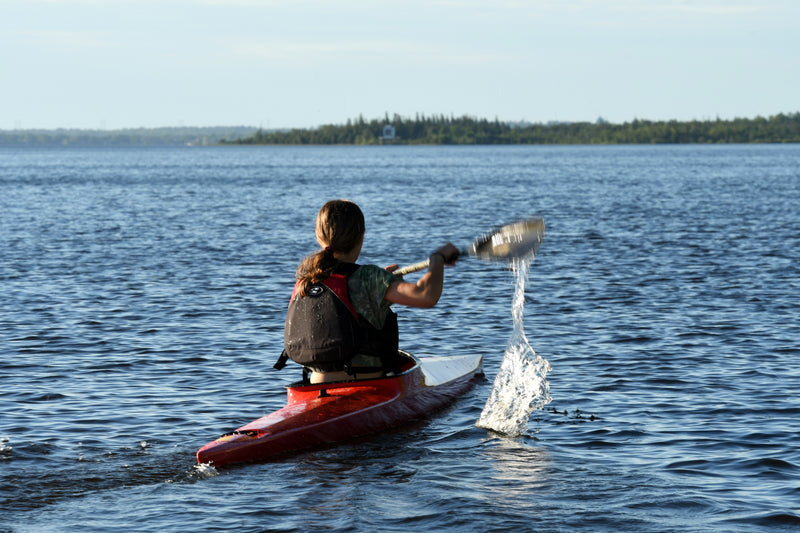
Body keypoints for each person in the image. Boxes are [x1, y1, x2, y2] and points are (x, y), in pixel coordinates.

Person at [281, 199, 459, 384]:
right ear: (361, 237)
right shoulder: (369, 278)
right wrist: (437, 260)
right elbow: (426, 295)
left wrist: (383, 283)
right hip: (368, 385)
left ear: (319, 236)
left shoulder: (306, 281)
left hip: (314, 386)